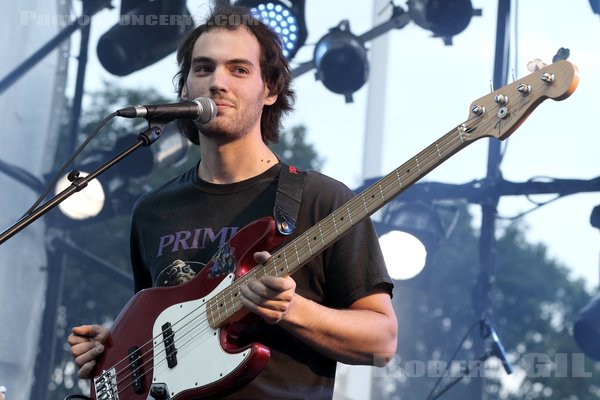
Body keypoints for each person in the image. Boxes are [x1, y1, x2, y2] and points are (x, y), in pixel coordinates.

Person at [68, 4, 397, 399]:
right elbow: (160, 327)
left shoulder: (321, 199)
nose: (217, 82)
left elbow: (382, 341)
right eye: (203, 68)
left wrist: (293, 310)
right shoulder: (152, 211)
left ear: (270, 90)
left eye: (238, 69)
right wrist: (115, 355)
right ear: (185, 88)